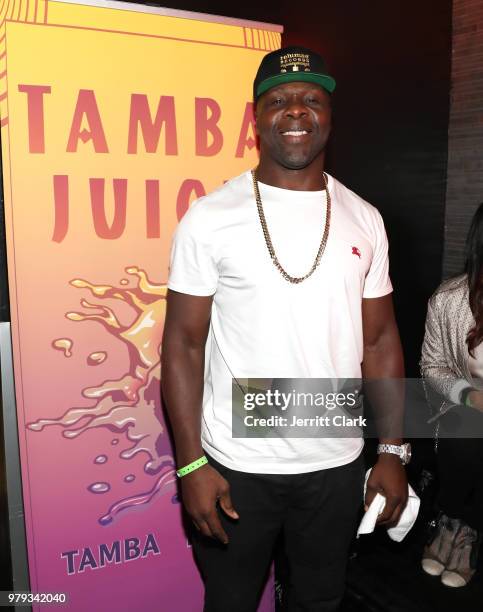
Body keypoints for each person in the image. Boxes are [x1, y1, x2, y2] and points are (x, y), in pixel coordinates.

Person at [161, 46, 409, 612]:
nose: (295, 111)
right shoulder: (210, 217)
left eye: (310, 99)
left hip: (337, 460)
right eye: (278, 100)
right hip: (236, 465)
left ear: (329, 114)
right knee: (229, 600)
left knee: (320, 600)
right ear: (256, 117)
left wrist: (392, 451)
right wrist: (192, 463)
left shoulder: (364, 217)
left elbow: (380, 342)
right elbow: (182, 344)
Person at [420, 203, 483, 588]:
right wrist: (470, 397)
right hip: (468, 412)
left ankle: (469, 530)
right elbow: (431, 366)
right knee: (467, 428)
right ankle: (452, 522)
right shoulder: (450, 299)